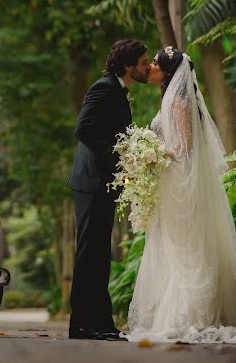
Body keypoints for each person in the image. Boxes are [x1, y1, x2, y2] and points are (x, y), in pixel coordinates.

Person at [125, 46, 236, 343]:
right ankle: (174, 310)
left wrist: (151, 154)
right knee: (174, 247)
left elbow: (186, 147)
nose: (151, 68)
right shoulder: (171, 98)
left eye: (155, 64)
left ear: (167, 71)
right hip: (171, 182)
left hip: (179, 184)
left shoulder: (180, 102)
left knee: (184, 247)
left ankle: (190, 314)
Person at [67, 39, 149, 340]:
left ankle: (100, 323)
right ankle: (82, 324)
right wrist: (120, 156)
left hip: (102, 183)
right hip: (91, 182)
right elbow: (84, 128)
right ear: (128, 65)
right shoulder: (104, 88)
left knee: (99, 254)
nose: (146, 67)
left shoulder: (118, 90)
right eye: (143, 63)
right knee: (90, 253)